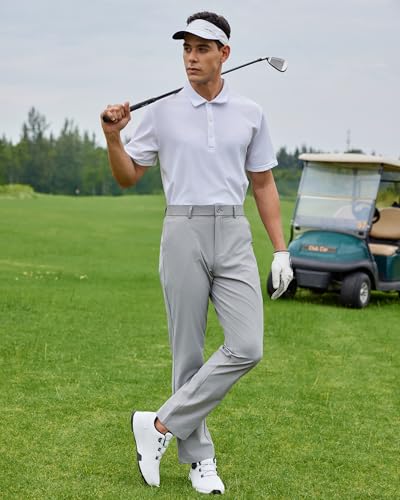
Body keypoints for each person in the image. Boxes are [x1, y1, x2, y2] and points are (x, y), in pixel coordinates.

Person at [100, 11, 293, 495]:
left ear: (224, 53)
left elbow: (263, 183)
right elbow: (128, 176)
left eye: (202, 48)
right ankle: (200, 460)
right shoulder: (162, 111)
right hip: (182, 229)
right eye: (186, 48)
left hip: (233, 231)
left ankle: (158, 425)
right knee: (187, 354)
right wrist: (113, 137)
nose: (191, 57)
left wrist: (281, 251)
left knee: (247, 346)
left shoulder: (250, 113)